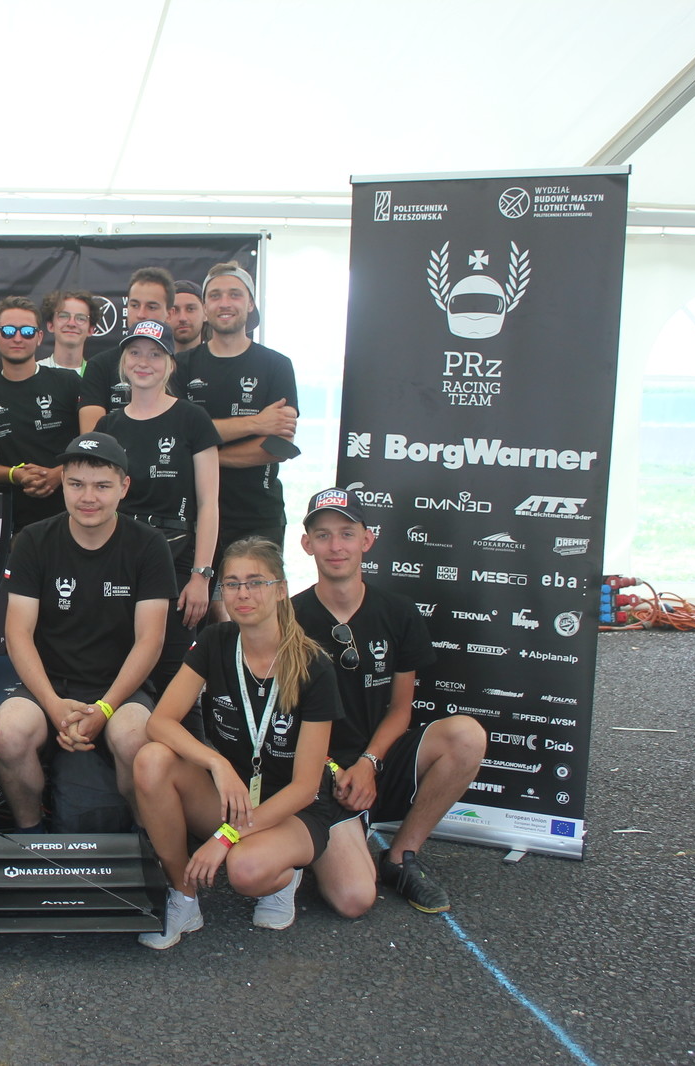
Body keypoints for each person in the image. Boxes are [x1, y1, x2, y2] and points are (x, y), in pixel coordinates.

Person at [133, 537, 351, 948]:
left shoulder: (313, 666)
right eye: (232, 584)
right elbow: (160, 722)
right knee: (151, 760)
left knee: (245, 871)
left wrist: (225, 837)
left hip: (292, 809)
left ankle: (286, 874)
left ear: (281, 589)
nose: (242, 593)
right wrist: (216, 764)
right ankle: (183, 897)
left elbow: (306, 788)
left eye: (256, 582)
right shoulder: (216, 641)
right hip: (234, 796)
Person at [292, 488, 488, 914]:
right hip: (316, 769)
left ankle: (400, 857)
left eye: (347, 533)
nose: (336, 546)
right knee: (353, 900)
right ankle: (326, 839)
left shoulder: (398, 612)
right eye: (323, 535)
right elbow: (283, 721)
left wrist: (368, 763)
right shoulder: (288, 619)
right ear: (306, 544)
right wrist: (335, 769)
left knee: (466, 736)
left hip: (377, 757)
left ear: (367, 540)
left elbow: (401, 708)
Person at [0, 432, 174, 832]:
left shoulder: (149, 545)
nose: (88, 497)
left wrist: (105, 708)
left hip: (120, 690)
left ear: (124, 487)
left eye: (102, 486)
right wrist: (53, 704)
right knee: (8, 731)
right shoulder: (33, 540)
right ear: (63, 483)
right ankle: (31, 834)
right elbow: (18, 633)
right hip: (49, 686)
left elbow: (151, 640)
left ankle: (148, 840)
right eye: (76, 484)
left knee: (135, 739)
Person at [95, 319, 221, 695]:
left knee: (174, 672)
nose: (143, 362)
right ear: (123, 361)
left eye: (154, 354)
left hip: (177, 558)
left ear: (170, 364)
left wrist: (201, 576)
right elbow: (96, 504)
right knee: (113, 665)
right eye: (135, 352)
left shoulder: (192, 419)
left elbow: (209, 504)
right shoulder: (108, 425)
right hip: (119, 555)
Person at [175, 263, 299, 605]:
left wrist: (202, 455)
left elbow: (278, 446)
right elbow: (177, 434)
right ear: (205, 306)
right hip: (193, 517)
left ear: (250, 304)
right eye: (215, 295)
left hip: (258, 514)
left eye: (234, 294)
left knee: (260, 611)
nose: (225, 302)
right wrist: (257, 423)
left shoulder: (276, 365)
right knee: (200, 615)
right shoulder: (181, 366)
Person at [0, 296, 102, 530]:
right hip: (20, 520)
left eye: (26, 331)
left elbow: (95, 446)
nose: (17, 338)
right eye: (8, 331)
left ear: (39, 337)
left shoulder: (70, 382)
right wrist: (15, 474)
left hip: (78, 511)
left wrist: (60, 474)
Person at [80, 267, 176, 425]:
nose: (141, 314)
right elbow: (91, 436)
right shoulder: (99, 366)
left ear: (170, 314)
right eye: (135, 305)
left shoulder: (184, 365)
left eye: (151, 307)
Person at [39, 290, 102, 373]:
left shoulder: (97, 376)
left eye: (81, 318)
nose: (71, 324)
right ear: (51, 325)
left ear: (90, 330)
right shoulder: (34, 373)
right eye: (63, 316)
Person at [169, 279, 207, 354]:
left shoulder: (221, 358)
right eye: (175, 310)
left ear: (205, 313)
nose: (182, 318)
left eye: (190, 309)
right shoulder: (153, 359)